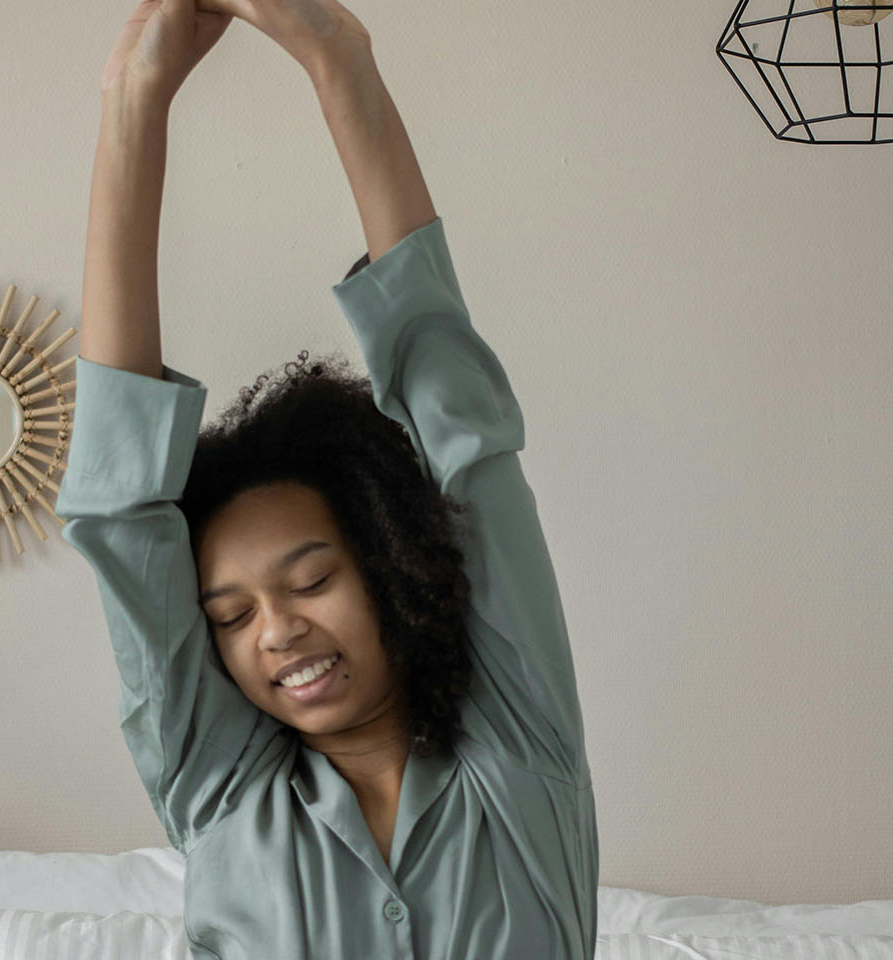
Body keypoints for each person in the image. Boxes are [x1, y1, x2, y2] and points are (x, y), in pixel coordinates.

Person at [55, 1, 599, 956]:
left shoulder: (523, 749)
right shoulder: (222, 795)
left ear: (392, 567)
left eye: (311, 580)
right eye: (229, 617)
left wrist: (335, 55)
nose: (278, 629)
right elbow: (117, 506)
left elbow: (459, 422)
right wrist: (134, 97)